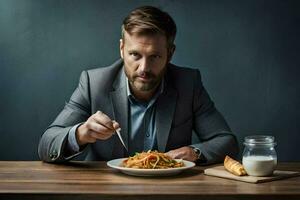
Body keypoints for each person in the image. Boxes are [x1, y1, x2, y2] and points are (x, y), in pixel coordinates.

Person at [38, 6, 238, 165]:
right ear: (122, 49)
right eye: (135, 55)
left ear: (170, 53)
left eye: (155, 56)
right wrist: (80, 133)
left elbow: (227, 142)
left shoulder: (188, 83)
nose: (144, 68)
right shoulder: (94, 83)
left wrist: (195, 152)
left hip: (171, 192)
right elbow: (47, 144)